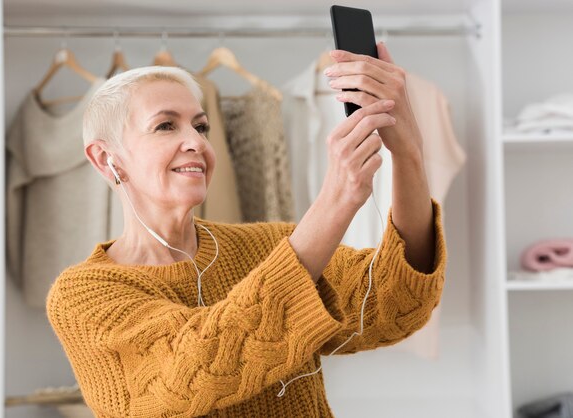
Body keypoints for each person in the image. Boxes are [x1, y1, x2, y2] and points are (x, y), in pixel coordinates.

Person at [46, 42, 447, 418]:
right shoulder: (83, 297)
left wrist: (408, 154)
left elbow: (395, 301)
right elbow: (194, 372)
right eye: (166, 126)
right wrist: (336, 201)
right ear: (106, 159)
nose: (195, 142)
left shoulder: (268, 246)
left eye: (200, 127)